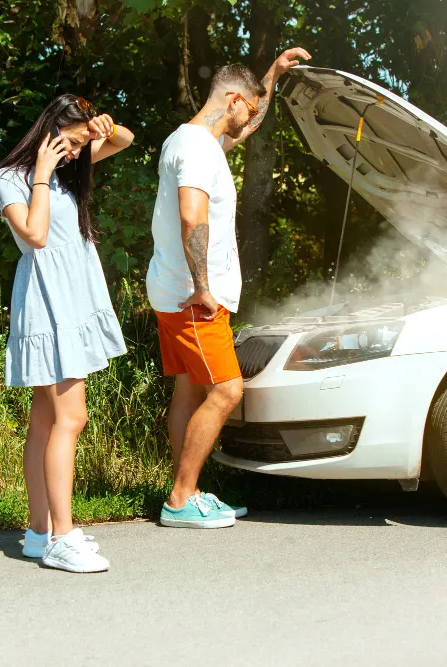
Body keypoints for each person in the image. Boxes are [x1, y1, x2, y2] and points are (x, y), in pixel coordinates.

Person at [148, 48, 312, 528]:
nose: (252, 116)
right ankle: (180, 500)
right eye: (250, 105)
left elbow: (249, 123)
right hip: (192, 295)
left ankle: (188, 489)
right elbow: (191, 215)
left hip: (172, 289)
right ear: (233, 99)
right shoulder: (199, 149)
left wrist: (274, 76)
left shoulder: (194, 141)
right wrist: (202, 286)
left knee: (190, 393)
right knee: (227, 389)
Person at [0, 95, 134, 572]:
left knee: (45, 421)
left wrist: (101, 129)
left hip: (73, 299)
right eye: (65, 142)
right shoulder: (10, 178)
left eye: (77, 144)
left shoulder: (68, 169)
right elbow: (36, 235)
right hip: (47, 305)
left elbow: (126, 141)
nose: (73, 152)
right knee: (72, 417)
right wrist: (42, 173)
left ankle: (37, 532)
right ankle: (62, 538)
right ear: (47, 131)